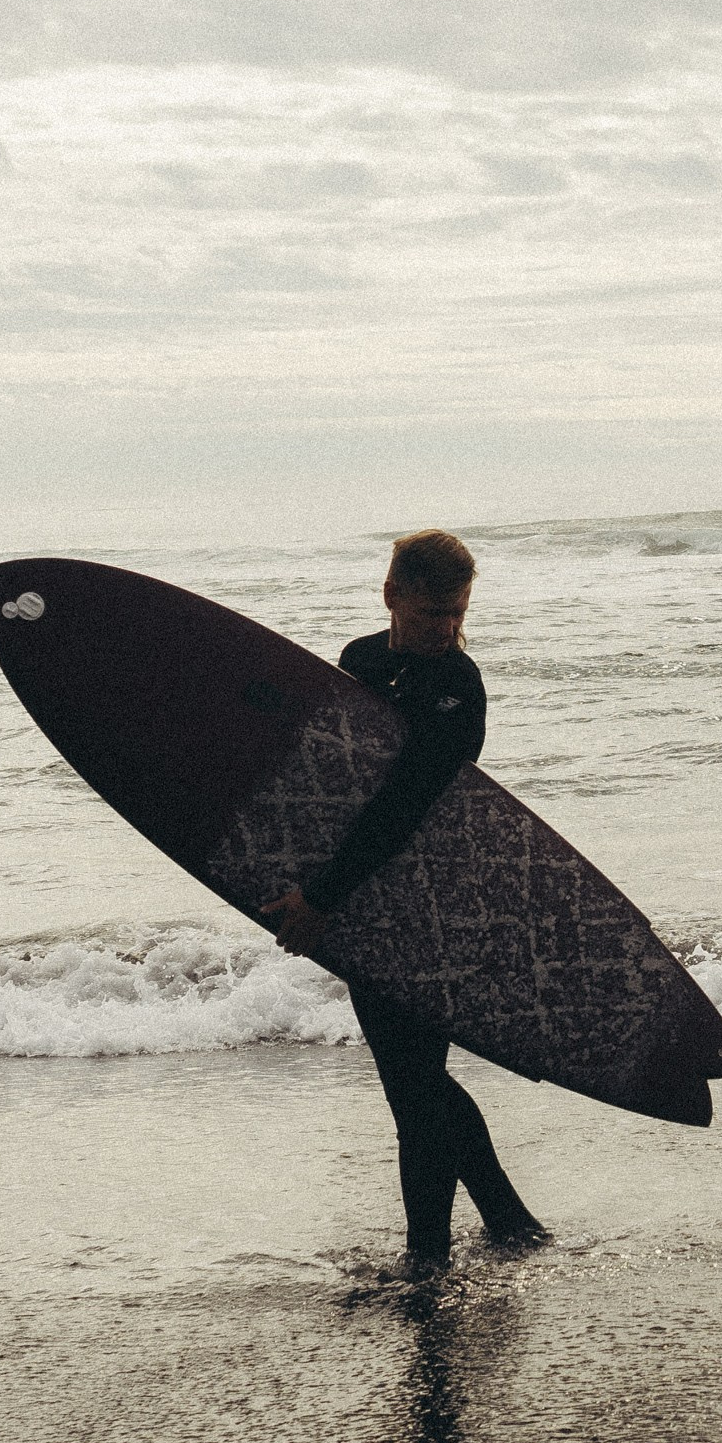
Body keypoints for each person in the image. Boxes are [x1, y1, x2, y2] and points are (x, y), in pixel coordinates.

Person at [262, 530, 547, 1267]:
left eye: (456, 613)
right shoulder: (360, 661)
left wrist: (321, 897)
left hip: (431, 906)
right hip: (366, 903)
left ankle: (429, 1255)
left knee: (415, 1084)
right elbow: (333, 786)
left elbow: (404, 803)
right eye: (429, 613)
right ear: (391, 595)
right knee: (413, 1081)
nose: (445, 629)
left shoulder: (460, 689)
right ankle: (508, 1222)